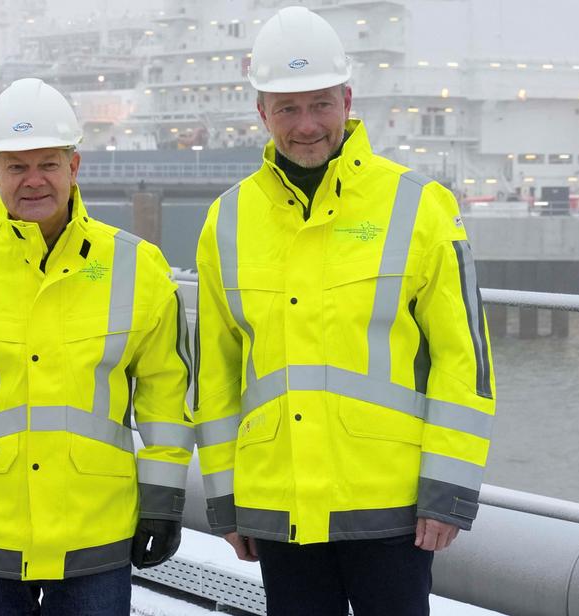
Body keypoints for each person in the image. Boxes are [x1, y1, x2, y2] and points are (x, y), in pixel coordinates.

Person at [193, 7, 497, 615]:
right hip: (280, 506)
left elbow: (463, 360)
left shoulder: (421, 205)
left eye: (321, 104)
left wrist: (448, 487)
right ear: (262, 112)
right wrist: (225, 497)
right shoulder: (226, 220)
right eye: (288, 108)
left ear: (347, 101)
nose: (307, 125)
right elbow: (216, 374)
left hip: (393, 508)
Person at [0, 78, 193, 615]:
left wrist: (164, 498)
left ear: (74, 167)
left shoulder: (138, 267)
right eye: (16, 166)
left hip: (97, 530)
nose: (33, 180)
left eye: (48, 164)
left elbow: (167, 391)